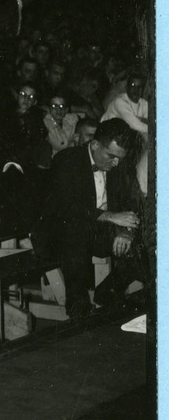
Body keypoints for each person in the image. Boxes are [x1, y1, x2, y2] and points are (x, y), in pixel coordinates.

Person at [40, 118, 142, 318]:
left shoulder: (120, 162)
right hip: (62, 232)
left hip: (101, 230)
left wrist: (126, 231)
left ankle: (108, 291)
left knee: (148, 238)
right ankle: (78, 309)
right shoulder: (66, 160)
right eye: (111, 156)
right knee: (75, 230)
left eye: (120, 158)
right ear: (94, 145)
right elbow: (65, 208)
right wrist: (111, 216)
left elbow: (132, 203)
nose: (116, 163)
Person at [101, 70, 148, 139]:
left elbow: (151, 121)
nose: (136, 90)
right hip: (106, 136)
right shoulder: (120, 101)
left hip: (123, 137)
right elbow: (137, 126)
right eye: (133, 85)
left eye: (139, 87)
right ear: (126, 88)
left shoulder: (144, 103)